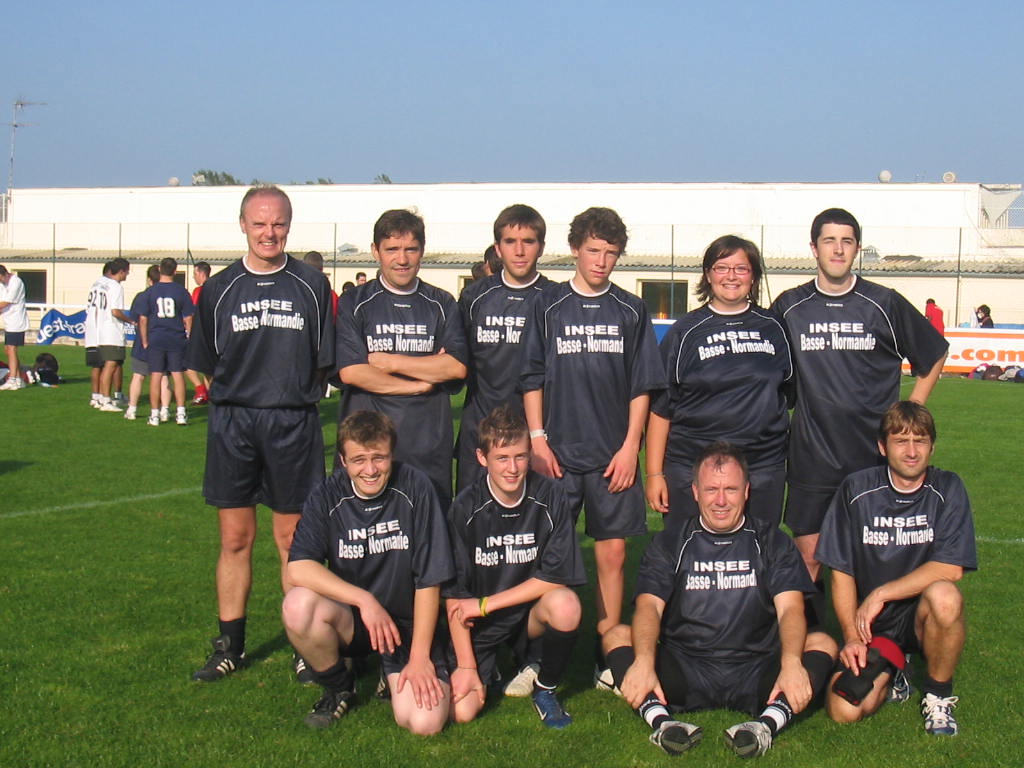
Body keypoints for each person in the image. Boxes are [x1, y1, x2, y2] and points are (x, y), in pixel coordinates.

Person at [600, 443, 838, 757]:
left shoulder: (772, 541)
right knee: (616, 634)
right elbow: (648, 606)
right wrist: (644, 662)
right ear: (696, 491)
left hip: (756, 670)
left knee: (823, 643)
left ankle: (762, 727)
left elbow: (791, 608)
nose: (721, 500)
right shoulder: (670, 541)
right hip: (687, 669)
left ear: (747, 491)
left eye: (731, 489)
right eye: (712, 489)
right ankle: (664, 724)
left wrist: (791, 663)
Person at [185, 185, 335, 682]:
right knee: (234, 538)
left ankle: (304, 640)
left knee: (293, 538)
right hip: (234, 424)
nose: (269, 232)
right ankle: (231, 645)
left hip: (293, 422)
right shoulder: (220, 288)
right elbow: (206, 362)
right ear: (243, 224)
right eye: (260, 223)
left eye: (278, 223)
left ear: (289, 225)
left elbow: (322, 363)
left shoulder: (312, 285)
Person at [771, 208, 948, 603]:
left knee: (874, 559)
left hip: (872, 454)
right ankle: (809, 651)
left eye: (846, 241)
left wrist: (912, 410)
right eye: (829, 241)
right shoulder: (789, 306)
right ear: (813, 248)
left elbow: (934, 352)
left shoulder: (882, 301)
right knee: (810, 557)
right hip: (813, 453)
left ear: (858, 249)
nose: (838, 249)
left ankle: (878, 653)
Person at [521, 207, 665, 680]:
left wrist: (631, 448)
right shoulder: (546, 305)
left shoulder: (630, 309)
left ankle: (609, 648)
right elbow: (532, 377)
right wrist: (538, 441)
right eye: (593, 251)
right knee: (548, 555)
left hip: (612, 458)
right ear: (575, 249)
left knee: (613, 553)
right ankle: (539, 652)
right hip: (555, 456)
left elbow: (641, 385)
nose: (601, 261)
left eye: (611, 253)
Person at [282, 410, 454, 734]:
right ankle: (338, 687)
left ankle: (391, 671)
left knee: (425, 723)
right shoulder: (327, 494)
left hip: (406, 625)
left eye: (379, 457)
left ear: (392, 454)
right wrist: (364, 601)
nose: (371, 469)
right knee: (297, 605)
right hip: (357, 622)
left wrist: (419, 658)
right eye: (359, 459)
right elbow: (298, 567)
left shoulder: (416, 487)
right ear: (343, 460)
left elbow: (430, 578)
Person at [817, 402, 976, 736]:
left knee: (945, 596)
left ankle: (938, 695)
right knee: (844, 710)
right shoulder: (856, 490)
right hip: (873, 626)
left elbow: (951, 567)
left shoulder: (948, 488)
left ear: (932, 446)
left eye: (920, 441)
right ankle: (894, 671)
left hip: (921, 615)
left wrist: (881, 593)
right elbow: (841, 570)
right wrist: (850, 636)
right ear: (882, 446)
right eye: (901, 441)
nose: (912, 451)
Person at [446, 405, 585, 728]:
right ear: (482, 458)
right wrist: (467, 666)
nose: (512, 468)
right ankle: (489, 665)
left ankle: (544, 686)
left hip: (525, 616)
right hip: (480, 624)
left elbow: (556, 575)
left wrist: (486, 604)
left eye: (520, 456)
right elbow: (455, 595)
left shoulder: (550, 496)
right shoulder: (464, 507)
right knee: (462, 713)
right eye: (502, 458)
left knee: (566, 605)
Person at [646, 235, 792, 527]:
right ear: (708, 274)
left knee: (760, 555)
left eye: (741, 268)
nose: (731, 276)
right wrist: (654, 475)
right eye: (722, 267)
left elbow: (788, 394)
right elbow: (661, 410)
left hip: (761, 467)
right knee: (688, 556)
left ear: (753, 277)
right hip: (693, 466)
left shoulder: (774, 328)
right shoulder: (685, 332)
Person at [336, 209, 468, 508]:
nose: (402, 259)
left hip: (427, 445)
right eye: (392, 249)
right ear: (375, 252)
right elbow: (353, 372)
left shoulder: (442, 303)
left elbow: (456, 366)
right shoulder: (355, 302)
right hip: (367, 446)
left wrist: (391, 362)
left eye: (411, 249)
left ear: (422, 251)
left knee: (428, 542)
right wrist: (419, 383)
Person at [455, 204, 553, 495]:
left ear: (541, 247)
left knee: (530, 528)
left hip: (534, 436)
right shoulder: (474, 297)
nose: (519, 251)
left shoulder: (555, 299)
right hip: (480, 430)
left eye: (528, 242)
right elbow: (457, 363)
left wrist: (539, 437)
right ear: (497, 248)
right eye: (510, 242)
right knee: (471, 524)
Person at [140, 257, 194, 426]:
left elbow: (143, 319)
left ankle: (155, 415)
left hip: (156, 337)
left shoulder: (150, 292)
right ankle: (180, 413)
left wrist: (144, 340)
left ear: (160, 269)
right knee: (178, 375)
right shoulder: (181, 291)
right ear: (175, 270)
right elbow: (188, 317)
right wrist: (189, 336)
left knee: (156, 376)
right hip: (176, 338)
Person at [124, 265, 170, 421]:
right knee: (163, 377)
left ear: (149, 280)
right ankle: (164, 410)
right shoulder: (169, 296)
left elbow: (136, 318)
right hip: (163, 340)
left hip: (145, 341)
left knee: (138, 376)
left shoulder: (143, 296)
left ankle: (132, 409)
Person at [84, 258, 131, 411]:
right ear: (122, 271)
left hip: (94, 329)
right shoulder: (116, 287)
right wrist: (131, 321)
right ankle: (106, 399)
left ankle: (98, 397)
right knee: (111, 364)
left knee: (100, 365)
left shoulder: (97, 283)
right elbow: (115, 311)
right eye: (127, 271)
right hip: (110, 330)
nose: (128, 274)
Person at [0, 265, 29, 391]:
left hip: (17, 321)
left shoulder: (16, 282)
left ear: (4, 274)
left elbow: (7, 301)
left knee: (11, 349)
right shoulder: (3, 284)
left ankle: (12, 380)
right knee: (8, 349)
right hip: (8, 320)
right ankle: (18, 378)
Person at [188, 261, 212, 404]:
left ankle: (201, 392)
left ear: (201, 273)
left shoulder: (199, 291)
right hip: (214, 334)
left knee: (188, 365)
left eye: (194, 274)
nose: (193, 277)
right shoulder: (217, 287)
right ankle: (210, 396)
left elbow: (193, 313)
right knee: (209, 369)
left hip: (202, 334)